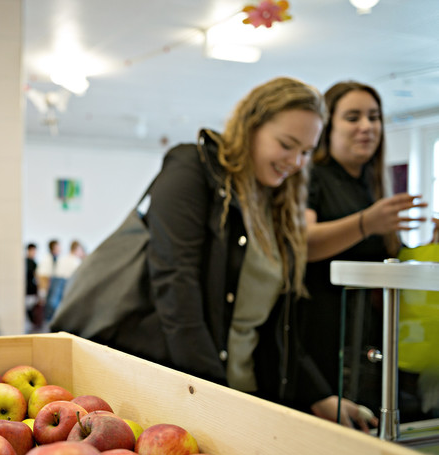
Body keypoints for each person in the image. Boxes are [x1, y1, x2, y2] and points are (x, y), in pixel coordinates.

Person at [105, 77, 375, 430]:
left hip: (246, 395)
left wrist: (319, 395)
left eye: (307, 152)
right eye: (286, 144)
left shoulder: (277, 201)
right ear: (251, 127)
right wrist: (212, 399)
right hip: (182, 395)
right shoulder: (192, 168)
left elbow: (275, 324)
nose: (295, 161)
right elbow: (176, 285)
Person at [302, 81, 427, 415]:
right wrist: (365, 223)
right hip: (322, 343)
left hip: (369, 348)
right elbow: (303, 242)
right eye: (353, 117)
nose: (367, 127)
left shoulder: (373, 184)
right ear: (327, 126)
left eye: (374, 117)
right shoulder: (312, 175)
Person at [36, 239, 66, 322]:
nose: (60, 249)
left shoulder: (59, 259)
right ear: (53, 248)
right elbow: (41, 275)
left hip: (54, 286)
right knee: (49, 306)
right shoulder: (46, 260)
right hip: (47, 286)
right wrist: (42, 291)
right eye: (58, 247)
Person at [24, 243, 42, 330]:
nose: (34, 253)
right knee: (29, 309)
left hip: (31, 290)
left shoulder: (33, 262)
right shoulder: (27, 262)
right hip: (28, 290)